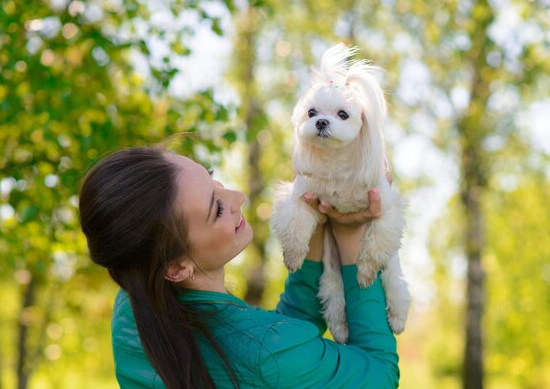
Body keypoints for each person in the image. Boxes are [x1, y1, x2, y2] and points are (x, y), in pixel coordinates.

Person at [79, 146, 399, 389]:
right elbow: (380, 373)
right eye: (216, 208)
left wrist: (311, 227)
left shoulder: (134, 308)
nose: (237, 197)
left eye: (211, 177)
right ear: (177, 267)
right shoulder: (264, 352)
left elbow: (283, 346)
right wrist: (354, 236)